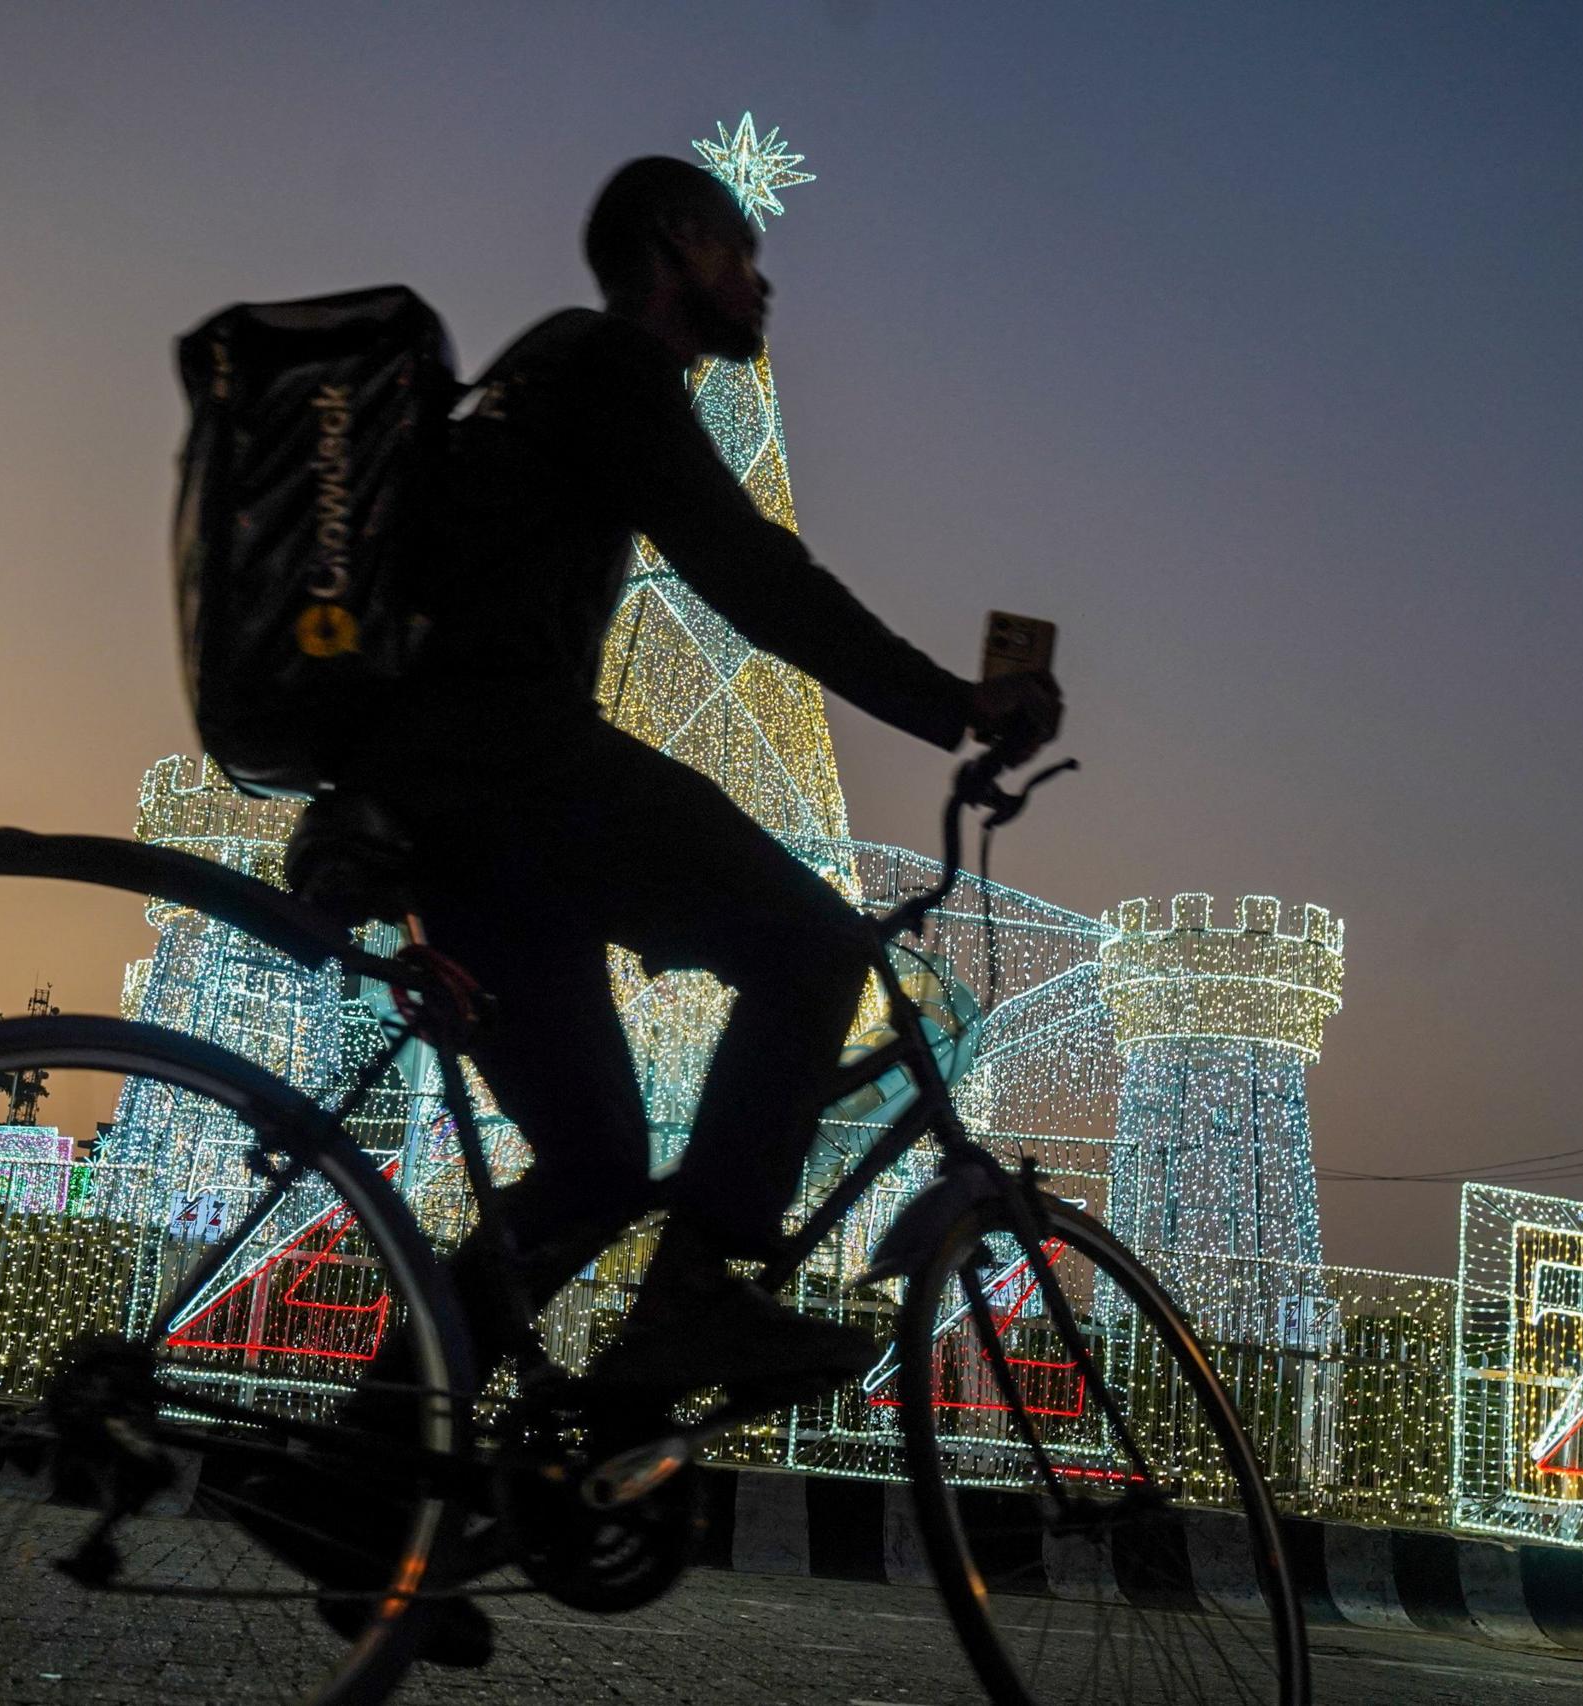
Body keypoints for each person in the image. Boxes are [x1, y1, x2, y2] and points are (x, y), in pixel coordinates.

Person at [267, 154, 1060, 1661]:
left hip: (447, 796)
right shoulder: (609, 365)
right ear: (678, 245)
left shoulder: (528, 381)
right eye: (745, 254)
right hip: (513, 762)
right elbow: (750, 575)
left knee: (590, 1160)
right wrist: (958, 705)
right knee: (812, 946)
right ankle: (692, 1305)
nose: (762, 286)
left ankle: (358, 1483)